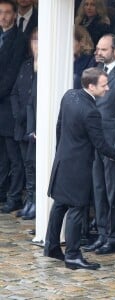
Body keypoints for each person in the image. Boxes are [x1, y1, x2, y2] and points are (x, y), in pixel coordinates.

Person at [44, 67, 115, 270]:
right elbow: (101, 145)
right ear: (91, 86)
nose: (108, 88)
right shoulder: (91, 111)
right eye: (104, 85)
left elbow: (59, 127)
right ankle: (73, 255)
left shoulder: (69, 96)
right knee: (76, 208)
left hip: (63, 160)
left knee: (60, 205)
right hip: (79, 166)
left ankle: (52, 246)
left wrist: (62, 151)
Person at [82, 34, 115, 255]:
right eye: (98, 48)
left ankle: (114, 237)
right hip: (96, 140)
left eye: (104, 49)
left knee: (113, 191)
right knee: (98, 189)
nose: (99, 52)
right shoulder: (97, 72)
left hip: (112, 142)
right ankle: (102, 233)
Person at [0, 0, 27, 213]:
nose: (3, 17)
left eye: (7, 13)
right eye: (0, 12)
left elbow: (11, 74)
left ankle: (14, 196)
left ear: (15, 14)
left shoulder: (19, 39)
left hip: (8, 104)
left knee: (13, 154)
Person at [11, 27, 38, 220]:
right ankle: (30, 200)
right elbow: (14, 92)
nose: (36, 44)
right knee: (26, 164)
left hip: (37, 125)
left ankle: (37, 202)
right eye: (34, 40)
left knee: (37, 164)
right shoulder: (26, 65)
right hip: (21, 123)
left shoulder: (46, 67)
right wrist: (17, 113)